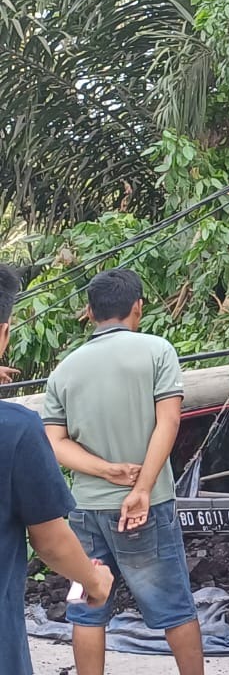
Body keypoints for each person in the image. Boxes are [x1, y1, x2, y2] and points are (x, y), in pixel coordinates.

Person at [41, 268, 204, 675]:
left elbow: (55, 443)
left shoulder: (64, 370)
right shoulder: (157, 351)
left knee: (86, 606)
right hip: (146, 510)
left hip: (84, 514)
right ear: (137, 307)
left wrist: (105, 470)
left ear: (90, 312)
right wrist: (142, 488)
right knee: (175, 608)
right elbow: (168, 422)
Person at [0, 262, 115, 675]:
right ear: (4, 334)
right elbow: (49, 542)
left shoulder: (64, 377)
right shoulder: (14, 428)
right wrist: (93, 579)